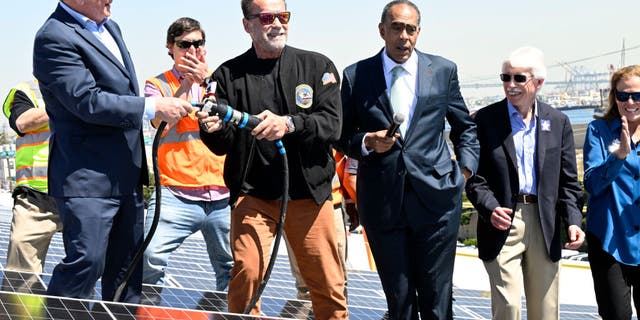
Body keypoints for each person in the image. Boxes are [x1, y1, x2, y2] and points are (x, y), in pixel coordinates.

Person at [33, 0, 193, 303]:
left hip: (127, 176)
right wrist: (153, 106)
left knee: (126, 274)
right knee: (87, 261)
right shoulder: (54, 36)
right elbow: (85, 101)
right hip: (88, 177)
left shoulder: (111, 28)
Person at [197, 0, 348, 317]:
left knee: (328, 286)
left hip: (308, 195)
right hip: (254, 195)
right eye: (266, 17)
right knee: (247, 276)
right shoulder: (228, 75)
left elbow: (331, 125)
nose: (277, 23)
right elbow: (222, 143)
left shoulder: (317, 66)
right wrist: (210, 128)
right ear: (247, 24)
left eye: (283, 16)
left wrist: (290, 123)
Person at [338, 1, 479, 318]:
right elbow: (340, 134)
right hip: (383, 203)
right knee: (399, 301)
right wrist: (367, 142)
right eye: (397, 28)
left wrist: (464, 172)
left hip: (437, 200)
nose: (404, 37)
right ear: (382, 30)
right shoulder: (356, 75)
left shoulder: (443, 70)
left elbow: (465, 127)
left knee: (436, 299)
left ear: (419, 32)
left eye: (411, 29)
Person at [465, 46, 585, 320]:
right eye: (505, 77)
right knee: (508, 308)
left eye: (519, 78)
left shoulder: (558, 122)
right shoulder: (485, 121)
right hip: (503, 221)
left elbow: (568, 182)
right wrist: (489, 206)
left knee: (545, 311)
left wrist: (574, 221)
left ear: (538, 82)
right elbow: (474, 178)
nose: (511, 85)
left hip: (546, 224)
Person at [142, 17, 233, 293]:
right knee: (150, 259)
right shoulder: (156, 85)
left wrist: (206, 81)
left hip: (221, 193)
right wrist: (186, 84)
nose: (192, 50)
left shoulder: (221, 80)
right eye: (185, 45)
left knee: (231, 267)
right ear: (171, 47)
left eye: (198, 43)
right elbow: (161, 122)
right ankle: (149, 311)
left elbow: (231, 118)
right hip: (175, 193)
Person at [583, 64, 640, 320]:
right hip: (609, 240)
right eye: (623, 95)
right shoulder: (598, 131)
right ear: (613, 97)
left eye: (637, 95)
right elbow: (593, 184)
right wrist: (618, 156)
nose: (630, 101)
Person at [2, 80, 62, 273]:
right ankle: (22, 305)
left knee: (86, 266)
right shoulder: (27, 90)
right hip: (35, 198)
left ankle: (72, 304)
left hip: (81, 192)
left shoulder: (93, 87)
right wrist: (71, 102)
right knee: (21, 273)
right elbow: (23, 122)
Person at [284, 150, 350, 301]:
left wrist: (351, 200)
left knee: (337, 280)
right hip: (293, 203)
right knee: (305, 282)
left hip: (332, 202)